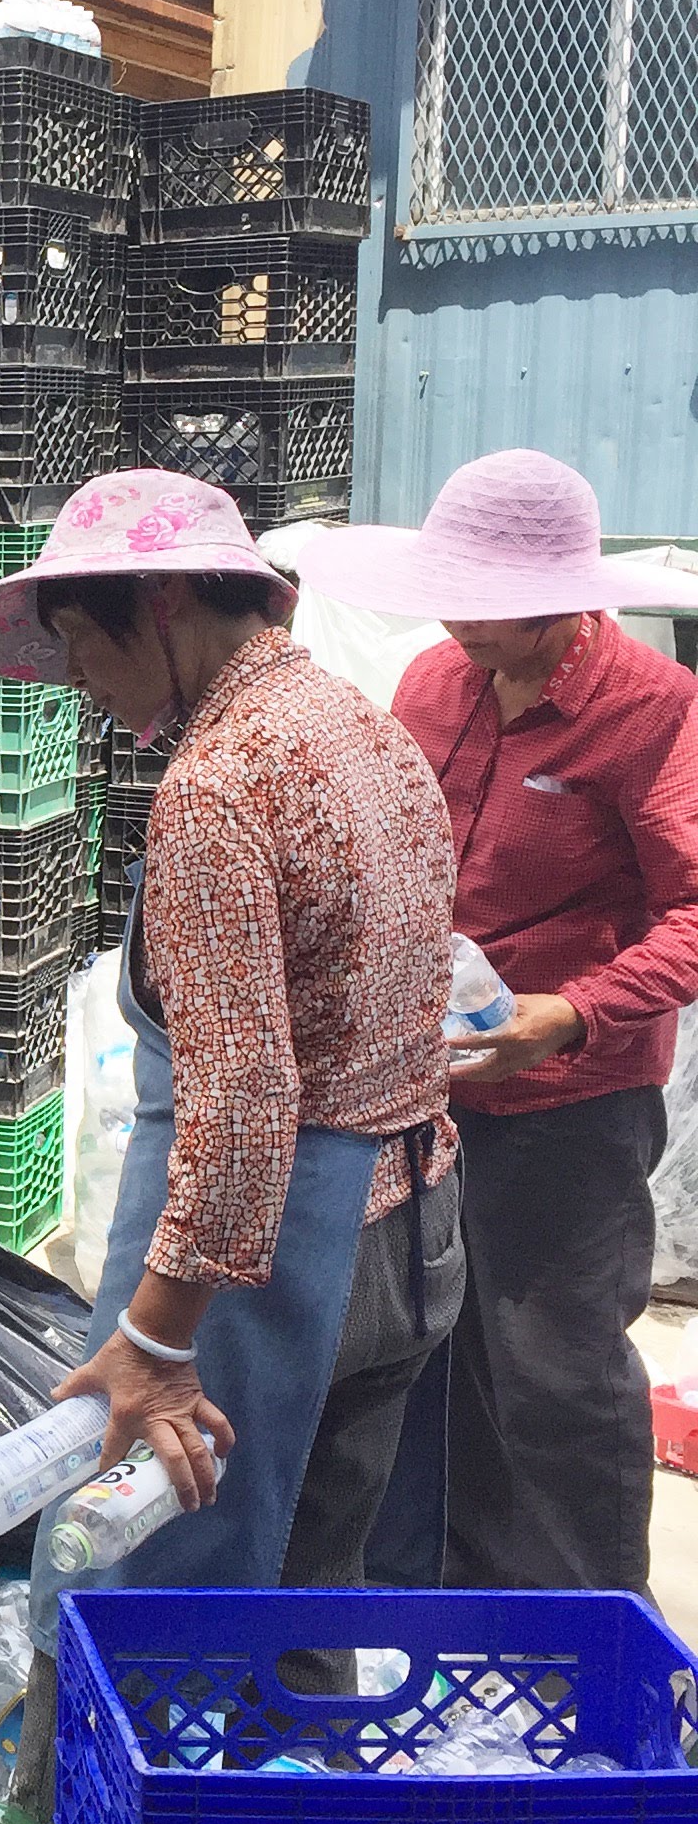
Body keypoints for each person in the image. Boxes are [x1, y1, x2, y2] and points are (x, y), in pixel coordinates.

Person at [0, 472, 464, 1789]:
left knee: (131, 1594)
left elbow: (241, 1107)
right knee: (308, 1596)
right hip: (418, 1227)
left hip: (274, 1264)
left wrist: (157, 1343)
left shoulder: (218, 787)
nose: (74, 678)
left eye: (81, 640)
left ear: (161, 603)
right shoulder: (356, 724)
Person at [297, 449, 698, 1592]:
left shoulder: (653, 711)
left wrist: (574, 1013)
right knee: (423, 1350)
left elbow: (692, 908)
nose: (458, 623)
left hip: (571, 1100)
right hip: (428, 1087)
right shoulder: (433, 683)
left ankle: (588, 1638)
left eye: (486, 605)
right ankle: (445, 1606)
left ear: (562, 599)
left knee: (555, 1368)